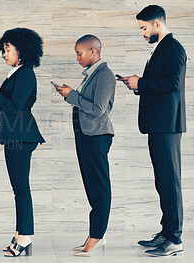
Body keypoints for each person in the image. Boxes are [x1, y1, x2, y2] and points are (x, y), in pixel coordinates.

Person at [120, 5, 186, 257]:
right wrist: (138, 85)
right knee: (163, 181)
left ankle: (174, 239)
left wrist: (141, 83)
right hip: (158, 125)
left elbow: (172, 83)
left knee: (170, 181)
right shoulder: (162, 48)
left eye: (144, 28)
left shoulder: (174, 48)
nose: (142, 33)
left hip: (167, 126)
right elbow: (160, 83)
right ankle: (166, 232)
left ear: (157, 24)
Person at [0, 27, 45, 257]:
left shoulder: (25, 73)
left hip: (21, 136)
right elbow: (6, 106)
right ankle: (20, 234)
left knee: (21, 189)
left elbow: (14, 107)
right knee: (19, 189)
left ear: (22, 49)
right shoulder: (17, 72)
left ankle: (25, 237)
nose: (4, 53)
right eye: (3, 49)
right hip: (16, 136)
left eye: (8, 49)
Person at [54, 35, 115, 257]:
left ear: (94, 51)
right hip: (87, 135)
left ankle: (97, 235)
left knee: (99, 188)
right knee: (92, 187)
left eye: (80, 53)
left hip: (97, 135)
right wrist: (72, 95)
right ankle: (94, 234)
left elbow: (99, 109)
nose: (77, 57)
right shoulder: (91, 75)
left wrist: (72, 96)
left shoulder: (105, 75)